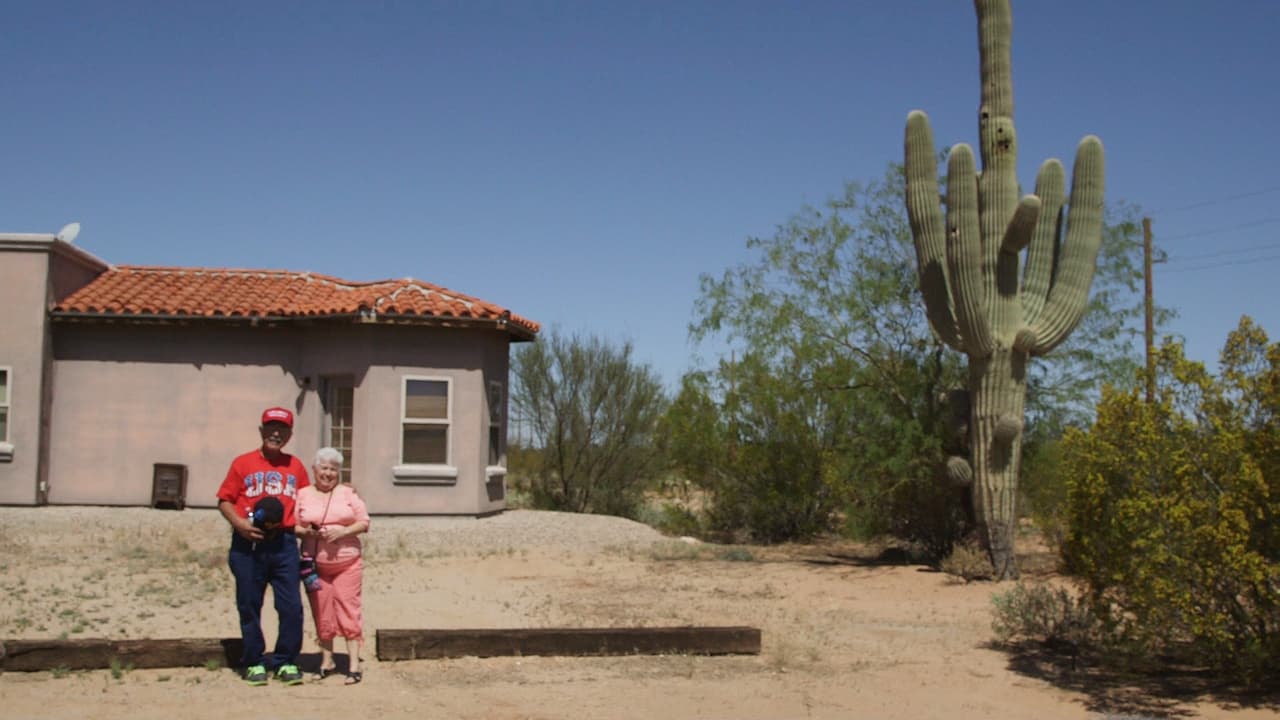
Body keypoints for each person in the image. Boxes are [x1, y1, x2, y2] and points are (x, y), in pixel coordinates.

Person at [216, 406, 311, 686]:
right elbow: (224, 500)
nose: (276, 433)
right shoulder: (242, 463)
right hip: (249, 544)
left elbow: (309, 499)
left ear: (290, 434)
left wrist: (344, 491)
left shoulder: (295, 467)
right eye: (271, 427)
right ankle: (254, 661)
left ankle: (285, 661)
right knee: (249, 604)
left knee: (291, 606)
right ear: (261, 431)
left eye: (282, 429)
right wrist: (240, 525)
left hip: (283, 544)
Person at [296, 446, 370, 684]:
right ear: (315, 469)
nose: (327, 473)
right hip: (314, 564)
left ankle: (354, 665)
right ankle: (326, 661)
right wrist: (308, 532)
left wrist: (344, 530)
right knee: (322, 612)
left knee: (349, 609)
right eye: (324, 468)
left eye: (333, 469)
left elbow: (364, 521)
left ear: (339, 472)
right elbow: (293, 525)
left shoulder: (348, 494)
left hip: (347, 563)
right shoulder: (303, 494)